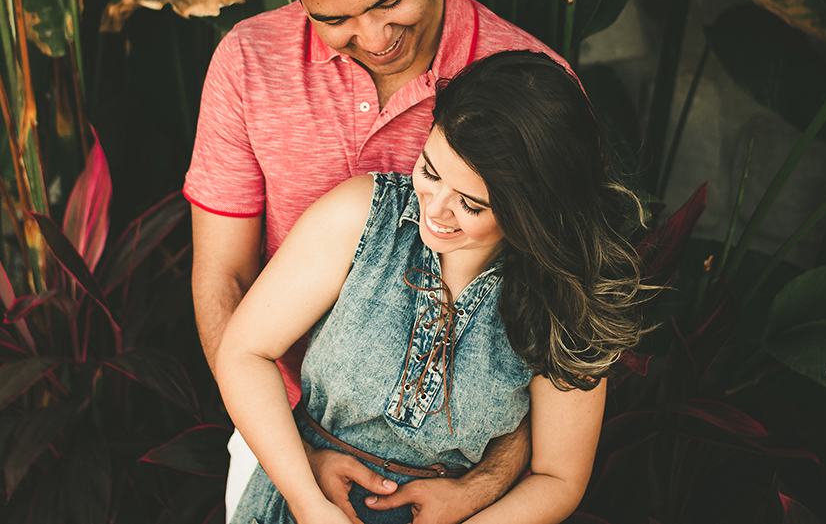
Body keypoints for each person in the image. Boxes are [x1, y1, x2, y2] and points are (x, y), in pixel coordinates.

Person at [185, 0, 567, 522]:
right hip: (281, 431)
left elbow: (556, 318)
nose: (374, 36)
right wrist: (299, 450)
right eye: (334, 19)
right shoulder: (247, 61)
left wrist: (479, 486)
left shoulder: (531, 90)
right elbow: (224, 277)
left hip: (462, 469)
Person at [216, 52, 649, 524]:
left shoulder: (566, 297)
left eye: (471, 204)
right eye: (430, 171)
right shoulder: (362, 216)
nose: (436, 210)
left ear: (535, 212)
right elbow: (244, 353)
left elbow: (559, 477)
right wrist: (308, 502)